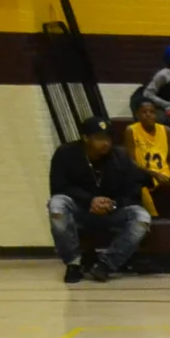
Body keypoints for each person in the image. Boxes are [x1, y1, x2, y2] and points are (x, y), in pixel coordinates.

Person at [49, 116, 150, 285]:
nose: (105, 143)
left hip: (112, 211)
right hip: (81, 209)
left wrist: (114, 203)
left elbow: (133, 190)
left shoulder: (120, 157)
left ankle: (105, 265)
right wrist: (90, 200)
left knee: (141, 217)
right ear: (85, 138)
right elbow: (59, 187)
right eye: (99, 138)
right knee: (57, 205)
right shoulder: (65, 153)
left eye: (108, 138)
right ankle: (74, 263)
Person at [124, 98, 170, 214]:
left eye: (152, 112)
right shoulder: (131, 130)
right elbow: (130, 160)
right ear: (137, 115)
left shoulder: (167, 131)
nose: (148, 115)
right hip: (143, 176)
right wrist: (153, 174)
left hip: (164, 176)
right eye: (144, 112)